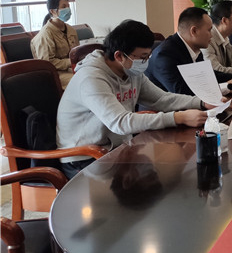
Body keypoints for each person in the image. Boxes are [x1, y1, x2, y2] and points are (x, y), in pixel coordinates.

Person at [56, 19, 215, 179]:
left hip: (115, 149)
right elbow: (120, 122)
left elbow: (161, 99)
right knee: (162, 177)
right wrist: (178, 117)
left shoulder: (131, 71)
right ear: (119, 55)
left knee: (172, 170)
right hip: (84, 157)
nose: (145, 63)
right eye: (142, 58)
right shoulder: (91, 78)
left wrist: (201, 102)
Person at [145, 7, 232, 96]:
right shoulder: (165, 55)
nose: (211, 35)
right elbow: (180, 92)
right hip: (163, 110)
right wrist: (227, 87)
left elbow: (206, 74)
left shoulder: (194, 48)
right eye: (209, 30)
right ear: (194, 31)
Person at [30, 0, 79, 88]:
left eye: (68, 6)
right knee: (83, 80)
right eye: (63, 7)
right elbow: (47, 63)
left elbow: (76, 52)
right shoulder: (45, 34)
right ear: (52, 11)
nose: (68, 9)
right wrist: (70, 62)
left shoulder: (71, 30)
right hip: (55, 74)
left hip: (72, 69)